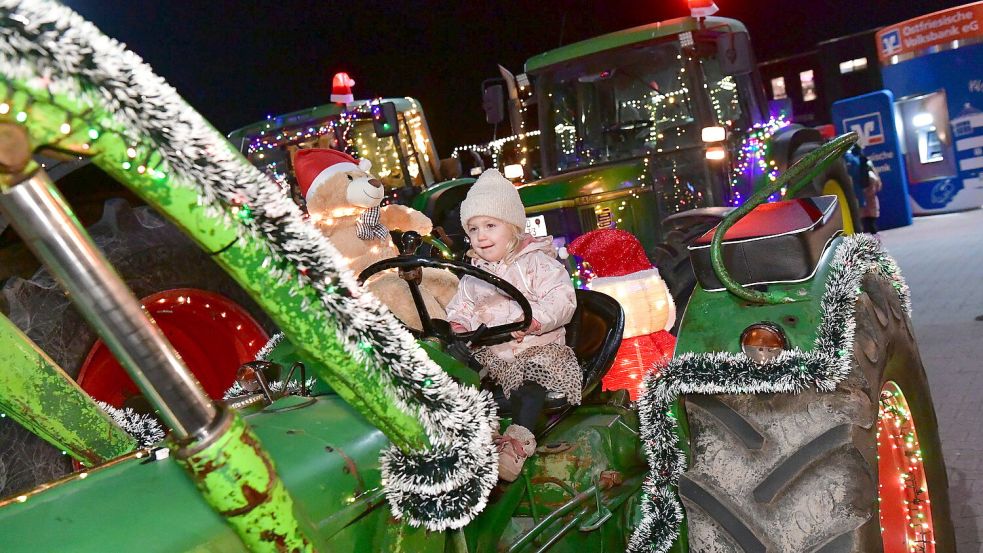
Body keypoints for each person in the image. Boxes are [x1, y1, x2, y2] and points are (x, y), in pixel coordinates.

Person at [445, 169, 581, 482]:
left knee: (528, 386)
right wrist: (458, 322)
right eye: (473, 228)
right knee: (458, 375)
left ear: (514, 228)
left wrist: (536, 321)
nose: (481, 236)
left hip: (536, 348)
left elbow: (562, 300)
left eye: (490, 226)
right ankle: (481, 435)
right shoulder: (474, 274)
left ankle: (517, 442)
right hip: (494, 352)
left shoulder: (538, 263)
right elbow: (461, 306)